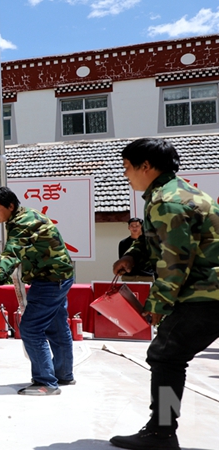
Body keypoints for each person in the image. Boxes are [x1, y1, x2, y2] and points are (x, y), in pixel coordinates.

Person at [109, 138, 219, 450]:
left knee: (166, 356)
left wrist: (157, 305)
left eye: (127, 168)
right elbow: (154, 240)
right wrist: (132, 256)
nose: (125, 175)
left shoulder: (166, 201)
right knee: (169, 356)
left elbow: (175, 261)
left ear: (145, 166)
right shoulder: (178, 192)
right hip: (207, 291)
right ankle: (162, 429)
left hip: (205, 294)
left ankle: (161, 432)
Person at [0, 186, 75, 396]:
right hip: (60, 276)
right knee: (57, 327)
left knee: (31, 328)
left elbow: (11, 254)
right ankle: (63, 374)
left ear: (10, 206)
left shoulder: (23, 222)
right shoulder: (24, 216)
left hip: (49, 281)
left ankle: (46, 382)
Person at [117, 218, 154, 282]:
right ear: (129, 227)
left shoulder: (148, 242)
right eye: (132, 226)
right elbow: (122, 259)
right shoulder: (123, 243)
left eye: (137, 226)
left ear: (141, 227)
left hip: (146, 276)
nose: (134, 228)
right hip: (128, 276)